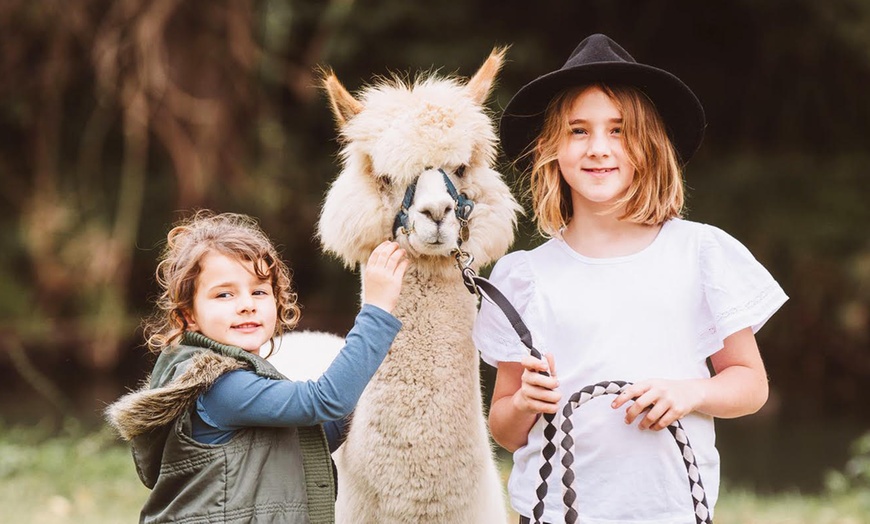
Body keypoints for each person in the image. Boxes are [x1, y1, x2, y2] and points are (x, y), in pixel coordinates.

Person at [472, 34, 788, 523]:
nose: (599, 148)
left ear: (649, 144)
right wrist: (524, 404)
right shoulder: (525, 276)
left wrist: (690, 392)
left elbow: (751, 385)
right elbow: (505, 430)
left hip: (669, 510)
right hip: (554, 512)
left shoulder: (699, 253)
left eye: (618, 130)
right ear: (552, 147)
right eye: (579, 131)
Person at [106, 211, 408, 523]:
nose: (247, 304)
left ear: (277, 303)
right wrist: (377, 310)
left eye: (259, 291)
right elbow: (324, 401)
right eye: (224, 294)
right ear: (188, 316)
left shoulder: (244, 381)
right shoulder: (220, 387)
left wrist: (374, 390)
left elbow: (304, 440)